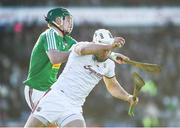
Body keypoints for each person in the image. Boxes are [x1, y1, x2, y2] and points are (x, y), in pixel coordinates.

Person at [24, 29, 138, 128]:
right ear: (95, 44)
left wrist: (128, 97)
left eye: (109, 48)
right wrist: (110, 46)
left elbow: (112, 86)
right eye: (103, 47)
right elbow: (83, 49)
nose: (105, 52)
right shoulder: (81, 48)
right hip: (56, 98)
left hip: (74, 106)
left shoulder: (109, 64)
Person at [23, 7, 76, 110]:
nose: (71, 23)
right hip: (37, 89)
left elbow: (84, 49)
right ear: (58, 21)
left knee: (55, 124)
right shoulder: (49, 34)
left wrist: (109, 51)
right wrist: (75, 52)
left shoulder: (67, 40)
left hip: (52, 90)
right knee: (42, 124)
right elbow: (55, 58)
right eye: (68, 20)